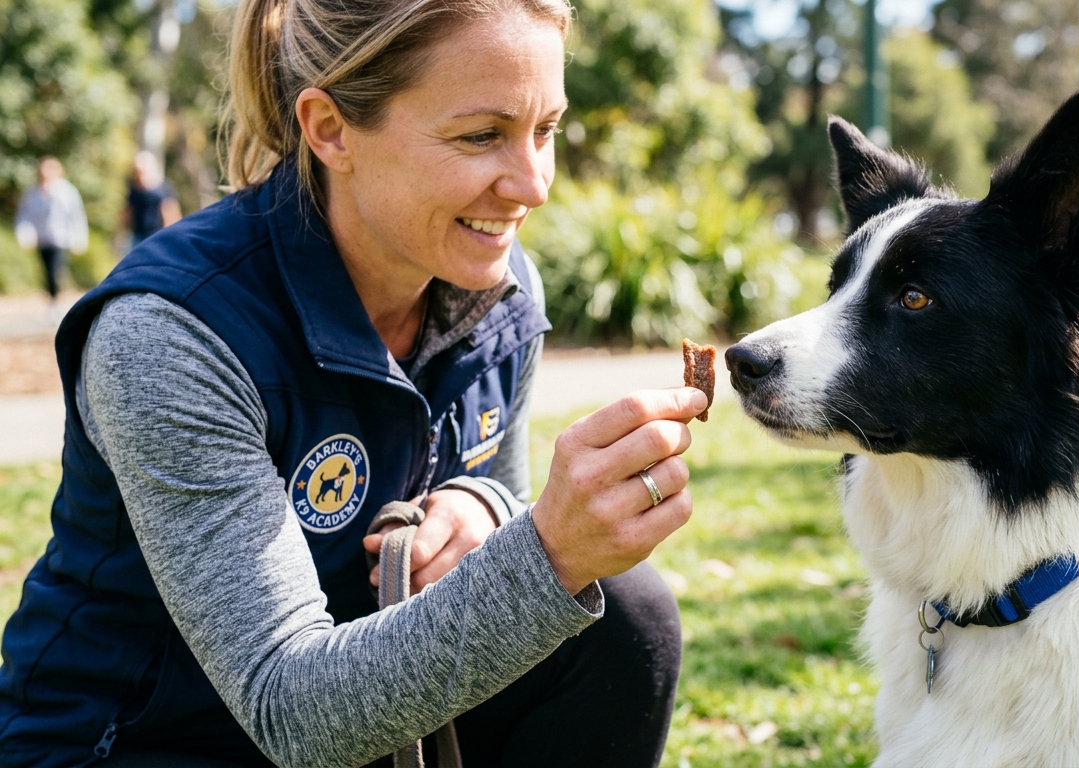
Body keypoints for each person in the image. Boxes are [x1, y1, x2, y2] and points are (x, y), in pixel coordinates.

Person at [0, 0, 703, 766]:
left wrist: (487, 504)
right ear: (331, 129)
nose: (533, 186)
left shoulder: (502, 290)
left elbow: (497, 521)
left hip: (362, 725)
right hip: (147, 745)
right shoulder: (171, 332)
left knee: (623, 618)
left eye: (546, 130)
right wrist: (552, 553)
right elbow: (290, 707)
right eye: (482, 136)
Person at [14, 156, 88, 318]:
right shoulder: (32, 193)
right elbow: (25, 215)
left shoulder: (67, 191)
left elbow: (76, 216)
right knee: (46, 271)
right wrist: (24, 233)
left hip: (60, 239)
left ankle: (55, 300)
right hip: (42, 239)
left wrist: (79, 237)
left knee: (55, 270)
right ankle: (52, 298)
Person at [123, 150, 182, 248]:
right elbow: (128, 211)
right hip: (138, 234)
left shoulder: (162, 189)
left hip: (157, 234)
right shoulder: (134, 189)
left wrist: (170, 235)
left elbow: (170, 213)